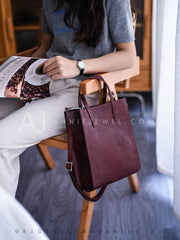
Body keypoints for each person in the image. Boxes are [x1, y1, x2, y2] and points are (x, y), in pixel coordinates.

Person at [0, 0, 136, 197]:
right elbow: (44, 48)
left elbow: (128, 57)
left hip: (82, 92)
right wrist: (20, 75)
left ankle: (6, 224)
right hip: (42, 83)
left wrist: (78, 66)